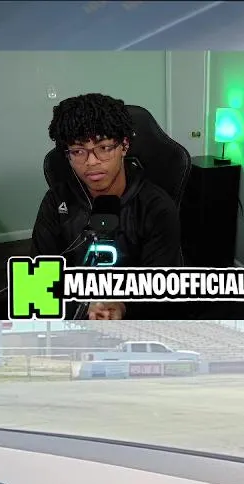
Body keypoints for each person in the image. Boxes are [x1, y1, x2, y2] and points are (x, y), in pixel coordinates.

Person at [29, 93, 185, 320]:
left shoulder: (156, 206)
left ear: (124, 146)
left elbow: (160, 289)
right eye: (78, 151)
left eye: (103, 147)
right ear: (68, 155)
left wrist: (122, 306)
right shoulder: (56, 202)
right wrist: (81, 308)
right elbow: (38, 280)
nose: (91, 162)